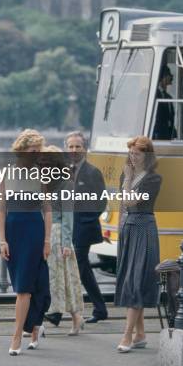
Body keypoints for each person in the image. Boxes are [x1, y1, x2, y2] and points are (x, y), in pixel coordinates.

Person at [0, 129, 51, 355]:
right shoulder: (5, 173)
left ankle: (17, 336)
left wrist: (47, 240)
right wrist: (2, 240)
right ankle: (32, 329)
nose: (38, 154)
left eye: (39, 150)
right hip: (13, 230)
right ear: (21, 149)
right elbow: (1, 209)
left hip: (34, 230)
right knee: (27, 285)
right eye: (34, 150)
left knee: (24, 288)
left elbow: (47, 210)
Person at [115, 136, 161, 353]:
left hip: (144, 227)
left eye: (137, 154)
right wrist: (119, 230)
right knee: (130, 279)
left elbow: (132, 201)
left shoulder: (153, 179)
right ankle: (140, 334)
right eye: (131, 153)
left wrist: (127, 180)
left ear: (147, 156)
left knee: (135, 280)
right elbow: (122, 207)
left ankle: (127, 335)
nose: (133, 157)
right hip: (129, 228)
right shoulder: (126, 174)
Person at [66, 131, 108, 324]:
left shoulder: (93, 172)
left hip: (84, 228)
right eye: (71, 146)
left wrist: (83, 220)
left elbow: (101, 202)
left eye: (77, 146)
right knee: (78, 268)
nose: (74, 150)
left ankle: (99, 309)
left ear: (85, 149)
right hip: (67, 228)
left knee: (81, 267)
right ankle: (97, 309)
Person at [43, 145, 84, 335]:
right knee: (52, 279)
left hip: (58, 234)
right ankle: (48, 317)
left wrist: (67, 243)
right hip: (45, 233)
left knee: (65, 279)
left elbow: (68, 215)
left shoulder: (66, 183)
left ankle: (75, 317)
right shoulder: (45, 182)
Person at [153, 64, 177, 140]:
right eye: (169, 75)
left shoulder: (168, 97)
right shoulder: (153, 95)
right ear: (163, 77)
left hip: (167, 136)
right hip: (155, 136)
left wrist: (173, 132)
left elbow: (170, 118)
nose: (171, 77)